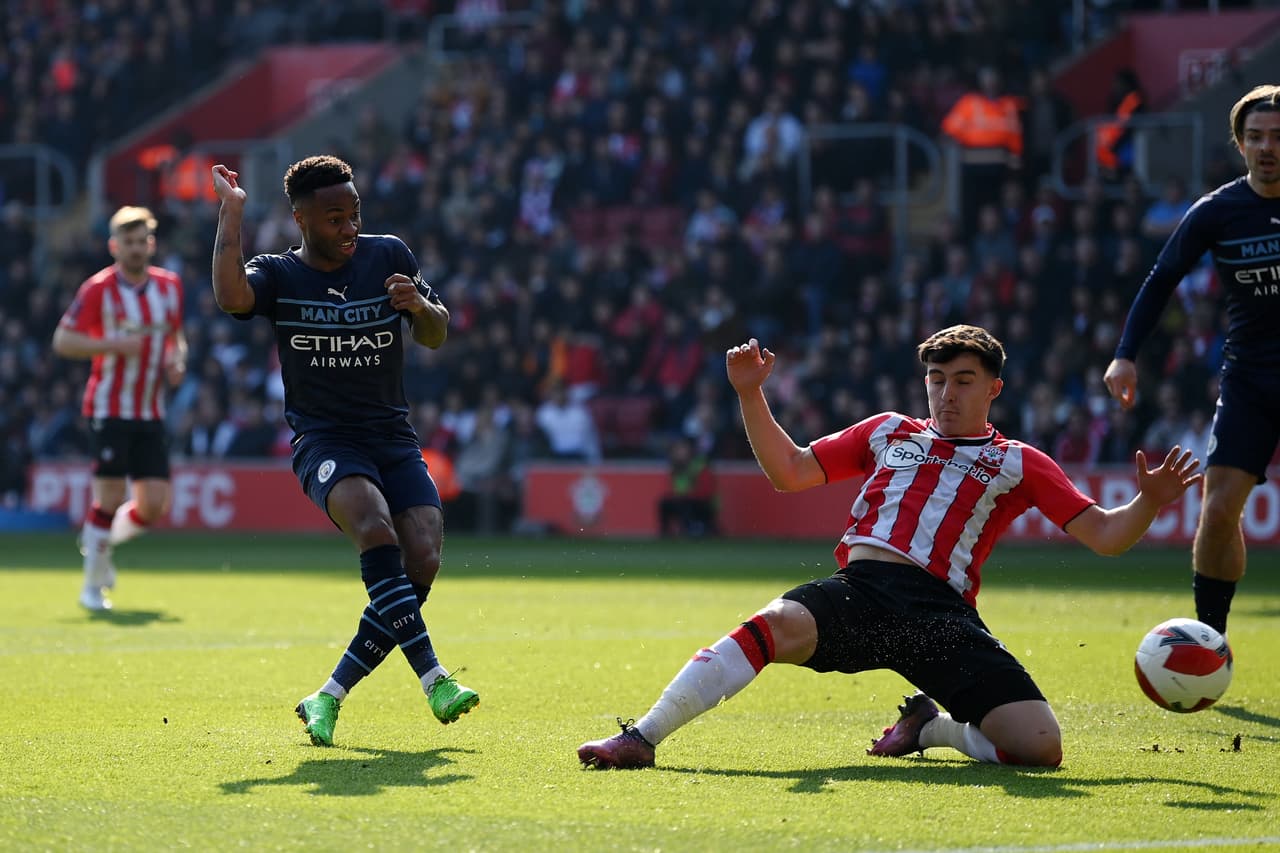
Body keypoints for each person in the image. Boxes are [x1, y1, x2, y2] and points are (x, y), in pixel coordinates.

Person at [579, 326, 1201, 770]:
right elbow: (790, 471)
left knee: (1040, 749)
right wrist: (750, 394)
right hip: (862, 591)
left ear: (994, 390)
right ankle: (643, 736)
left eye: (963, 381)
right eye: (937, 380)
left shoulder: (1018, 462)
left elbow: (1106, 536)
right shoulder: (888, 431)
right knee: (770, 624)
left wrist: (1148, 501)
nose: (947, 393)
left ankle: (931, 728)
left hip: (940, 616)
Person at [209, 155, 478, 747]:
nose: (349, 226)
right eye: (334, 218)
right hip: (325, 440)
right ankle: (435, 678)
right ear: (301, 219)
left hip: (393, 439)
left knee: (424, 559)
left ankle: (327, 695)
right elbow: (231, 297)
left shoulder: (389, 256)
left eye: (354, 213)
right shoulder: (280, 275)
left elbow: (436, 333)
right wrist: (231, 213)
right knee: (375, 527)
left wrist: (421, 307)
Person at [1104, 84, 1280, 638]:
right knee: (1219, 506)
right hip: (1252, 378)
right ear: (1240, 144)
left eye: (1278, 137)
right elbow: (1160, 281)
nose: (1267, 147)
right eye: (1255, 137)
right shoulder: (1217, 211)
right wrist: (1125, 355)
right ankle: (1210, 642)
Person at [52, 205, 187, 612]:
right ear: (114, 246)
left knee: (154, 505)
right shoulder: (98, 289)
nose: (135, 248)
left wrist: (177, 360)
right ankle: (92, 588)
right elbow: (63, 341)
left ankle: (99, 540)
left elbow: (176, 337)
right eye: (127, 242)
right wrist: (111, 344)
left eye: (141, 240)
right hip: (109, 407)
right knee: (108, 496)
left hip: (150, 410)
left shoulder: (170, 287)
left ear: (151, 243)